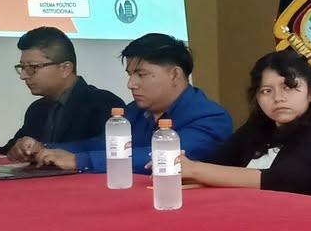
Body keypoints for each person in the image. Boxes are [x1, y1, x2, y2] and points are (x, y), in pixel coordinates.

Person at [25, 32, 231, 173]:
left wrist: (79, 161)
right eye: (130, 74)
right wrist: (46, 150)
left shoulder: (211, 119)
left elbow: (160, 158)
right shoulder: (135, 111)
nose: (131, 84)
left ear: (175, 75)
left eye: (141, 74)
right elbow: (101, 144)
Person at [180, 50, 311, 202]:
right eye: (266, 91)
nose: (278, 98)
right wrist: (193, 175)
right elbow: (219, 163)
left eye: (289, 87)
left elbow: (273, 181)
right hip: (263, 216)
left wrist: (195, 170)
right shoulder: (256, 129)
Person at [0, 27, 123, 156]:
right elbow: (8, 152)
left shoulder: (103, 104)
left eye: (32, 67)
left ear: (65, 69)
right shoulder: (37, 109)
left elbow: (106, 151)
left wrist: (45, 149)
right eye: (22, 67)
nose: (23, 76)